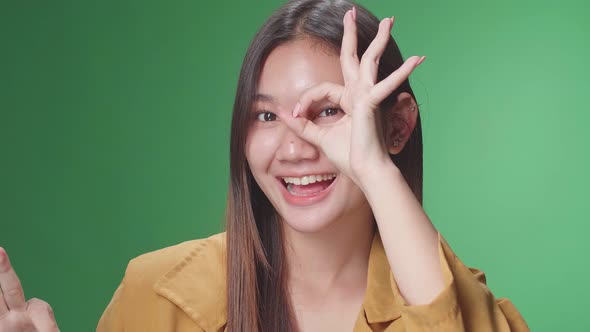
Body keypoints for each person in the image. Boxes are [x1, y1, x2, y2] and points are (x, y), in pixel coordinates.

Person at [0, 0, 530, 331]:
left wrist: (374, 169)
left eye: (329, 110)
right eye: (267, 114)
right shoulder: (157, 295)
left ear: (397, 127)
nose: (295, 146)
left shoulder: (461, 307)